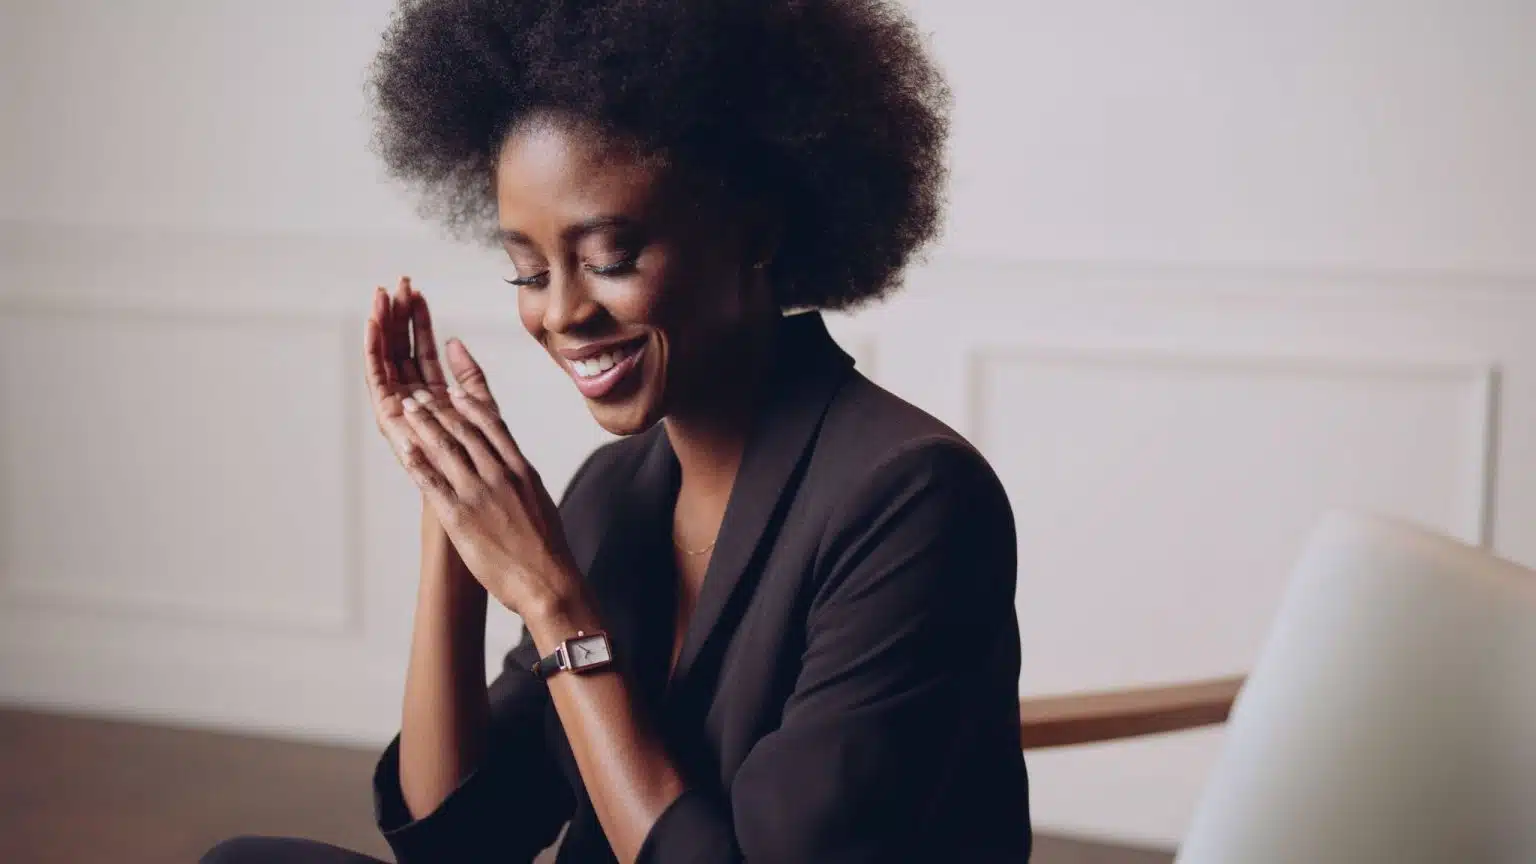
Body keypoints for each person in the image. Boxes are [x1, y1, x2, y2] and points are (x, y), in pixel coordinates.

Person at [204, 0, 1029, 861]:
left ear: (755, 230)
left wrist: (558, 607)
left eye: (608, 259)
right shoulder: (617, 489)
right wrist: (452, 510)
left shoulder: (913, 498)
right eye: (526, 271)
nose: (561, 313)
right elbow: (458, 844)